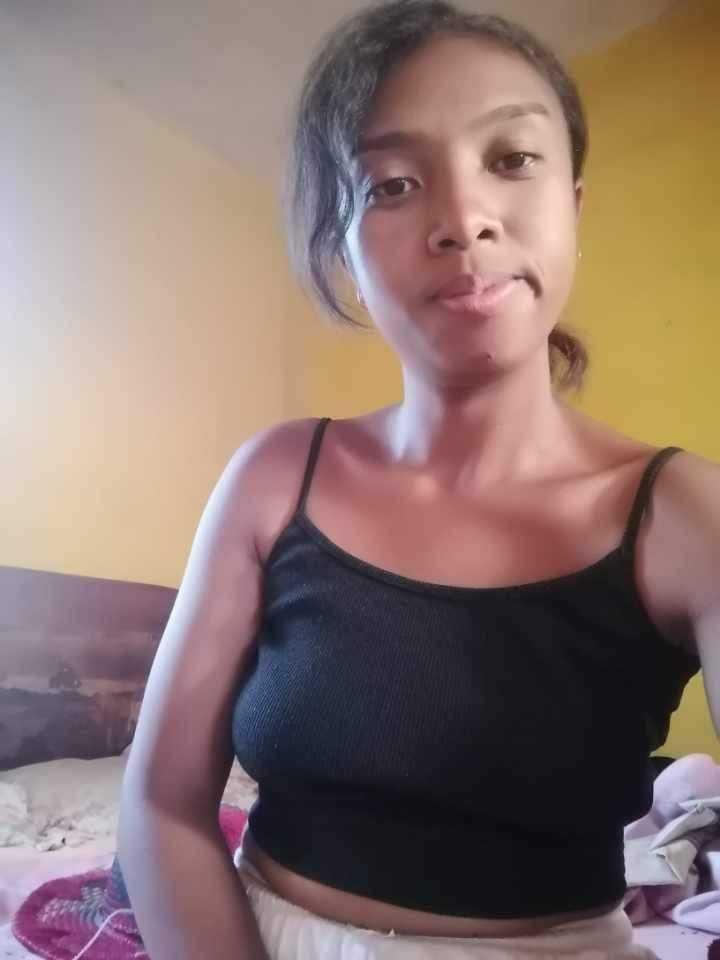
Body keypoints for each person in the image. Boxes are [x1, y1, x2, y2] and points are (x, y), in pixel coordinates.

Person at [117, 1, 720, 958]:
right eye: (392, 185)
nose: (463, 219)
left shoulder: (686, 517)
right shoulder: (274, 478)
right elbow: (160, 804)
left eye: (512, 159)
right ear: (346, 253)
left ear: (573, 203)